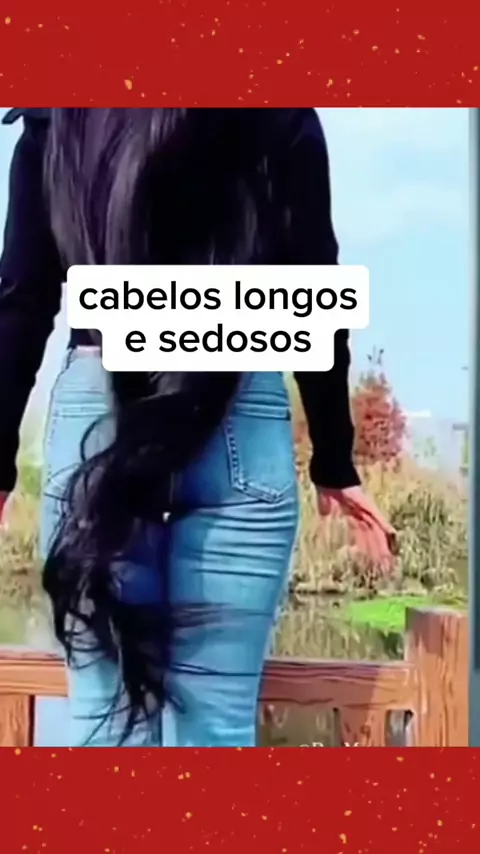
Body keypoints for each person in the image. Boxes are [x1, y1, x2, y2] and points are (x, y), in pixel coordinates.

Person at [0, 107, 394, 747]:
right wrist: (334, 457)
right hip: (238, 397)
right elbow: (314, 286)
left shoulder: (61, 109)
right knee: (216, 731)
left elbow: (22, 296)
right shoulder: (278, 108)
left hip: (100, 406)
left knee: (104, 731)